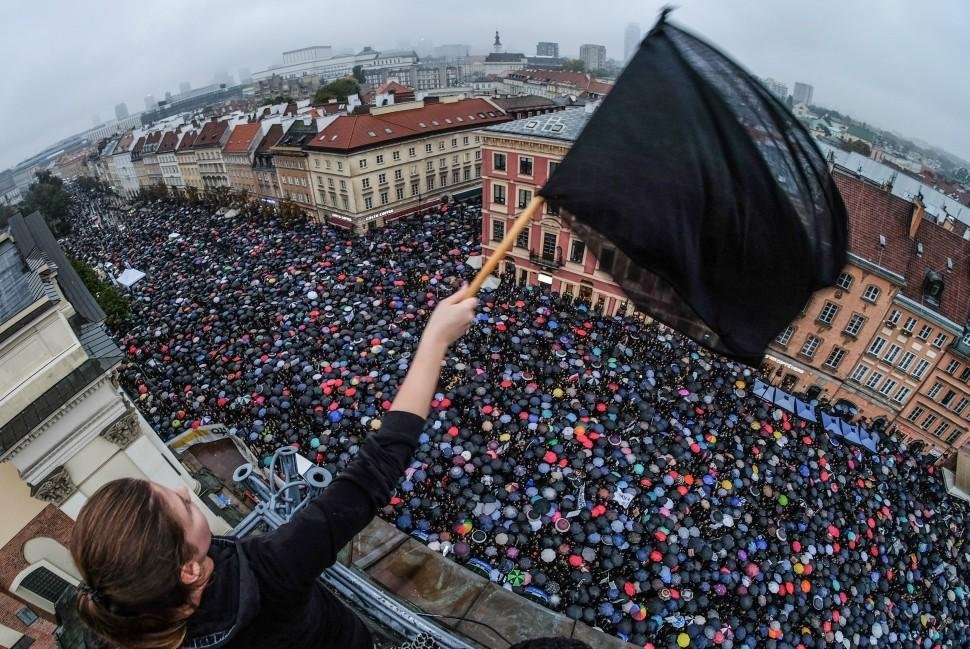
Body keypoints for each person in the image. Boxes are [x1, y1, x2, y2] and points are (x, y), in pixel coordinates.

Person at [70, 286, 480, 649]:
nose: (182, 491)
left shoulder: (123, 621)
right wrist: (434, 342)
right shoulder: (271, 571)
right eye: (184, 507)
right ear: (190, 570)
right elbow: (372, 473)